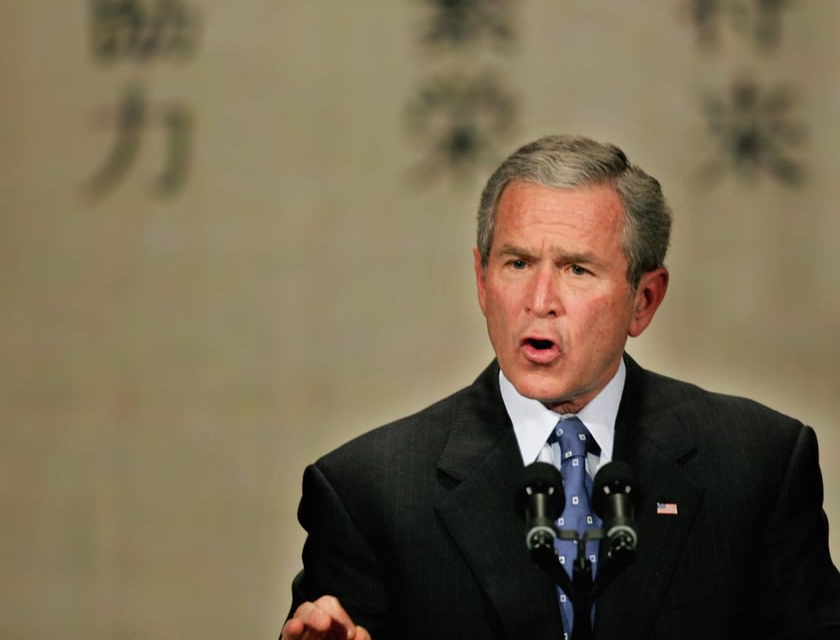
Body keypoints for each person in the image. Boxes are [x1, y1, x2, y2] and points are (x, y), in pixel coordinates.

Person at [280, 135, 840, 640]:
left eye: (577, 269)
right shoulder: (370, 492)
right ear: (482, 281)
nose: (540, 300)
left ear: (644, 300)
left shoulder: (755, 464)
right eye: (518, 263)